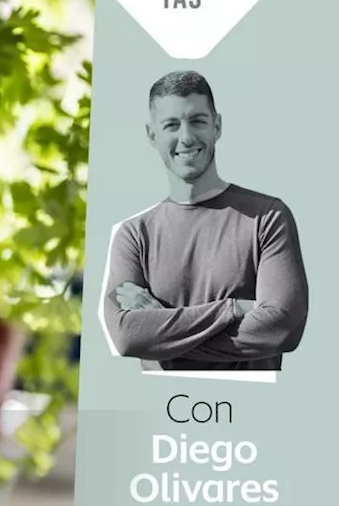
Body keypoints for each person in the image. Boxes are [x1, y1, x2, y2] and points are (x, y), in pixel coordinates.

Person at [102, 70, 308, 371]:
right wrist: (234, 309)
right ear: (151, 135)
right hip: (164, 411)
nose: (185, 137)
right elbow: (127, 337)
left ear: (217, 126)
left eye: (197, 121)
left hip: (252, 412)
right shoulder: (134, 235)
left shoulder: (268, 217)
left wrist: (162, 330)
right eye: (171, 125)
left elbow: (283, 330)